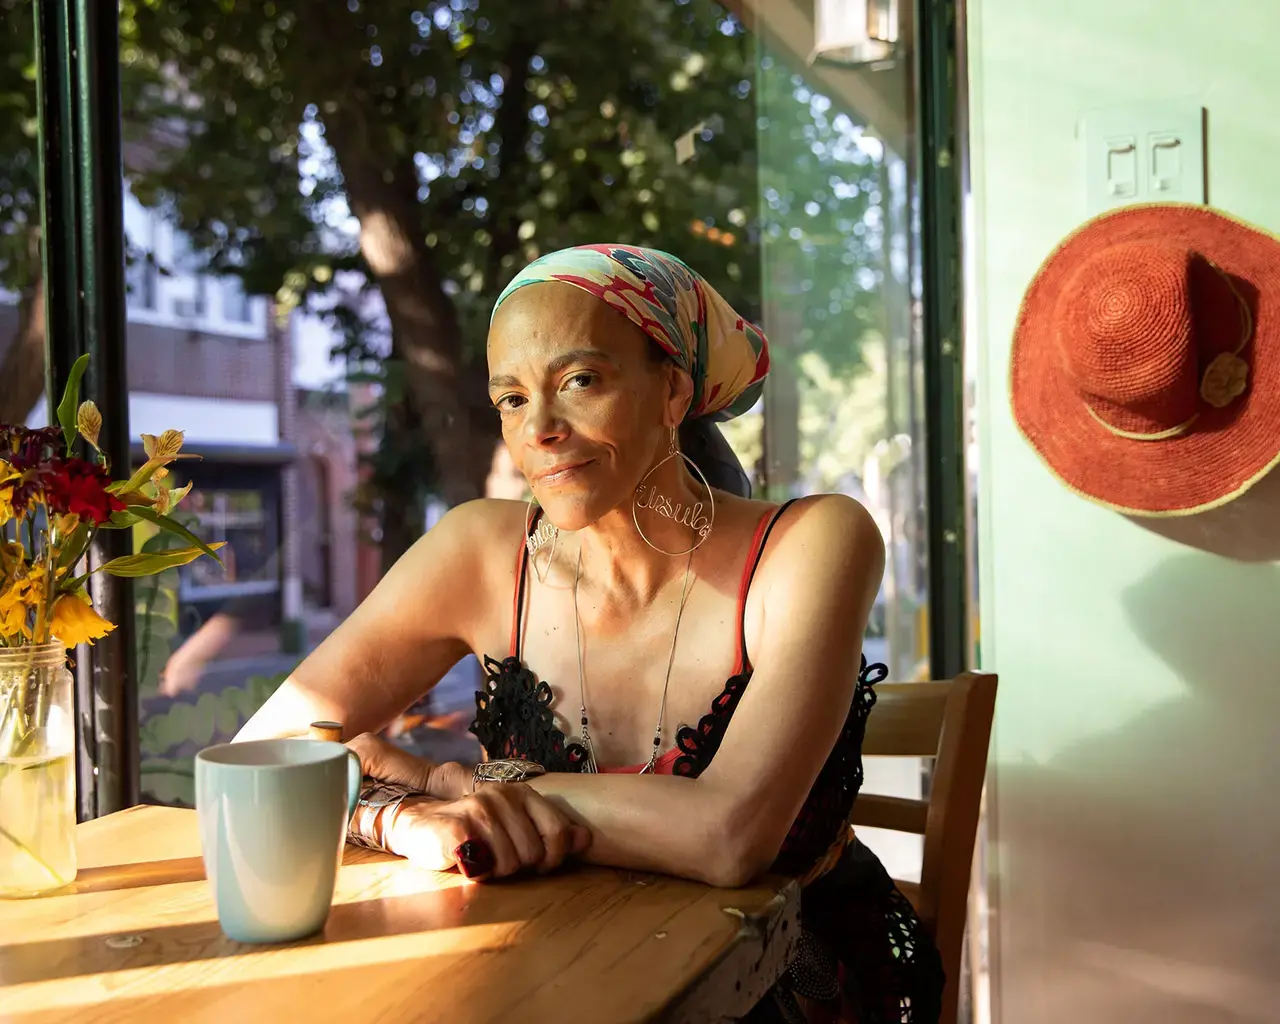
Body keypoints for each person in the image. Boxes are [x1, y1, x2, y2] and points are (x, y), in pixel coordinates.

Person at [236, 244, 943, 1022]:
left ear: (673, 390)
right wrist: (404, 815)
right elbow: (261, 754)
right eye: (510, 398)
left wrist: (473, 786)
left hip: (777, 982)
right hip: (545, 965)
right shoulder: (478, 550)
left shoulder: (813, 543)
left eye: (580, 381)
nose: (539, 428)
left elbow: (728, 834)